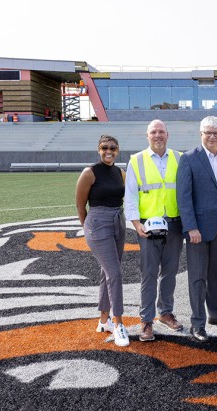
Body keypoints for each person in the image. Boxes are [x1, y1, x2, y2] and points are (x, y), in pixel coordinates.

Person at [177, 116, 217, 343]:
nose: (212, 136)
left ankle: (215, 313)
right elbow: (184, 197)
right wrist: (191, 227)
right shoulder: (189, 158)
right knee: (197, 278)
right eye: (208, 132)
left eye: (216, 133)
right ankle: (198, 322)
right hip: (198, 232)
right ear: (201, 134)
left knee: (216, 275)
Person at [125, 119, 184, 341]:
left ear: (168, 134)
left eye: (161, 131)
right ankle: (146, 320)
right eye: (153, 132)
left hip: (175, 223)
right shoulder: (136, 160)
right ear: (147, 136)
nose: (157, 135)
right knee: (149, 272)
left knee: (170, 271)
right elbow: (130, 194)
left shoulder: (179, 158)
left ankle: (166, 313)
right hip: (148, 226)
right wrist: (136, 223)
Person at [75, 135, 130, 347]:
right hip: (97, 223)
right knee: (114, 272)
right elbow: (80, 205)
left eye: (113, 148)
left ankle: (103, 321)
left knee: (106, 272)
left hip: (118, 221)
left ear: (118, 150)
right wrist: (87, 227)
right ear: (99, 149)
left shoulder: (120, 173)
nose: (109, 151)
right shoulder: (89, 172)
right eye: (105, 147)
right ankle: (118, 325)